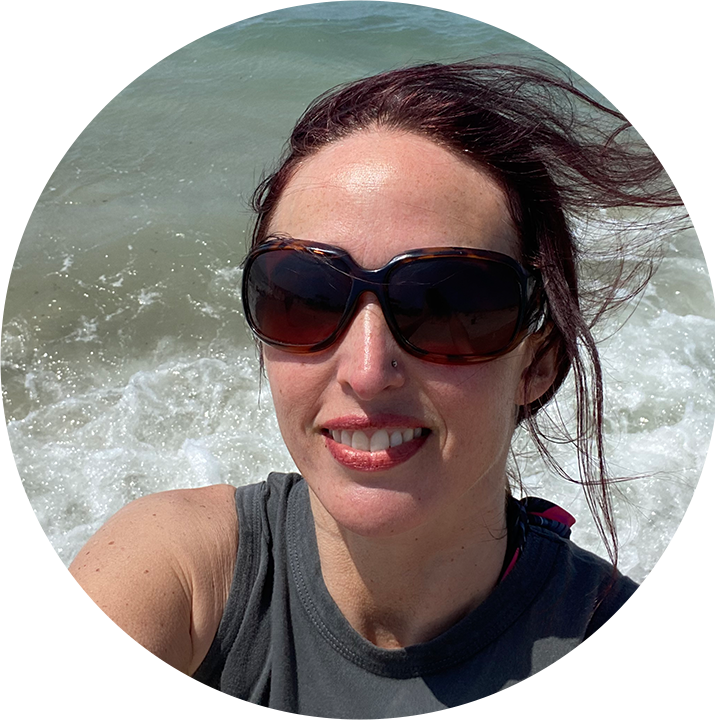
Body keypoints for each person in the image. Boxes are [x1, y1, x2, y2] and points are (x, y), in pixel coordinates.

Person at [1, 61, 715, 720]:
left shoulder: (652, 683)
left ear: (538, 363)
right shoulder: (181, 569)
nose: (367, 370)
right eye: (305, 295)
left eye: (445, 304)